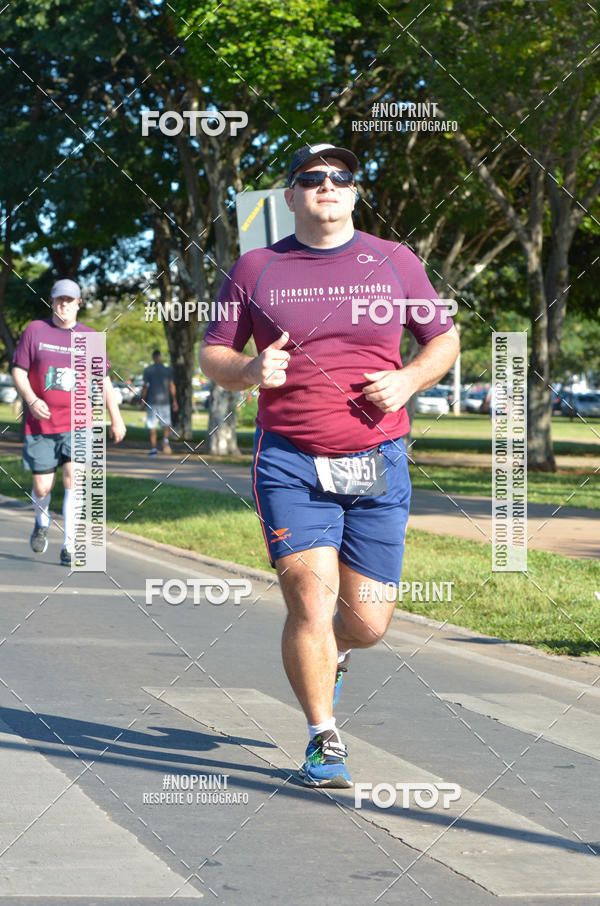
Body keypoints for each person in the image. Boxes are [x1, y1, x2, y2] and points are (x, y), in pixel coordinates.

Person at [199, 143, 460, 788]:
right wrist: (250, 370)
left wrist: (409, 380)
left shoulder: (394, 261)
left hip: (379, 456)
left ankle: (334, 655)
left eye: (341, 177)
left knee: (367, 623)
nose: (327, 186)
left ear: (354, 191)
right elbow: (213, 355)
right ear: (289, 197)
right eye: (311, 179)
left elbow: (443, 338)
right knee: (309, 599)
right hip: (290, 457)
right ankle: (323, 737)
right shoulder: (256, 267)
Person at [11, 278, 126, 565]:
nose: (64, 304)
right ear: (52, 301)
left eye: (69, 299)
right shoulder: (35, 330)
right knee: (42, 487)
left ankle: (70, 545)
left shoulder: (90, 338)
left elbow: (103, 381)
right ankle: (41, 520)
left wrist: (117, 418)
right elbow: (19, 371)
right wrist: (31, 399)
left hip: (79, 422)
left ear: (78, 303)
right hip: (41, 424)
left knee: (74, 479)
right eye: (59, 299)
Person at [140, 349, 178, 455]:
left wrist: (143, 401)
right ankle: (165, 441)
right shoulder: (167, 370)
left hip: (152, 401)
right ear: (160, 357)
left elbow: (145, 387)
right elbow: (172, 386)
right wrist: (175, 401)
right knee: (166, 424)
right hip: (165, 402)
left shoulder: (148, 370)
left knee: (152, 426)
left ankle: (153, 449)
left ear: (153, 358)